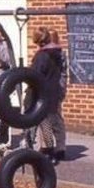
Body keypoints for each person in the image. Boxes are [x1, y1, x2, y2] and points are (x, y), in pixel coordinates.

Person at [30, 26, 69, 162]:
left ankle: (48, 149)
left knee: (44, 121)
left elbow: (35, 74)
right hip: (54, 89)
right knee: (55, 119)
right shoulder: (57, 53)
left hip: (43, 92)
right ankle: (58, 148)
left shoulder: (41, 56)